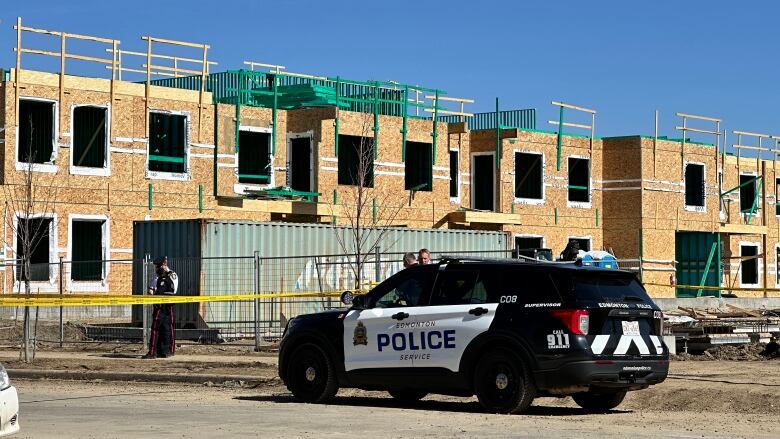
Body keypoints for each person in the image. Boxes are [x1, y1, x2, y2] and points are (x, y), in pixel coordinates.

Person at [143, 256, 178, 359]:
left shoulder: (168, 276)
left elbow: (156, 291)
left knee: (157, 329)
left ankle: (154, 352)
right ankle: (166, 351)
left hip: (162, 306)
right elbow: (151, 288)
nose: (156, 268)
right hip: (168, 306)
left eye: (158, 266)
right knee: (167, 329)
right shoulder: (163, 276)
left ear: (163, 264)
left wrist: (154, 293)